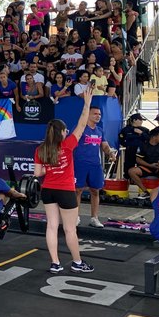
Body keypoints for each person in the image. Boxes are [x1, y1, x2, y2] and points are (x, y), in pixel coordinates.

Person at [33, 87, 95, 274]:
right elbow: (82, 124)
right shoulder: (67, 145)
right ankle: (77, 262)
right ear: (61, 133)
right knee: (69, 230)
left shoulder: (40, 149)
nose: (68, 131)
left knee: (52, 226)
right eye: (65, 130)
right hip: (66, 191)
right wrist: (87, 104)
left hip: (48, 190)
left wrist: (50, 167)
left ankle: (55, 263)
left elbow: (37, 173)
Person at [74, 106, 116, 228]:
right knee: (78, 190)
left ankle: (94, 218)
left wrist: (110, 153)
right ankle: (75, 217)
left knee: (95, 191)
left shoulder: (99, 130)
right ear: (88, 115)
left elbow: (105, 145)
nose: (98, 116)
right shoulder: (80, 129)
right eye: (95, 114)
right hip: (80, 163)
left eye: (99, 114)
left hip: (95, 164)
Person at [128, 129, 159, 198]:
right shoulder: (143, 146)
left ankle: (158, 192)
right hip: (147, 168)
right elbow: (138, 160)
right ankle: (145, 192)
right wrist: (150, 165)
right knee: (131, 171)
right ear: (154, 137)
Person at [119, 113, 149, 178]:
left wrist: (141, 133)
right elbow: (121, 139)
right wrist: (127, 145)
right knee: (128, 167)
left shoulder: (145, 130)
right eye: (140, 120)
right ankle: (127, 181)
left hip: (141, 152)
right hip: (130, 151)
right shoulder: (126, 130)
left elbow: (149, 139)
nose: (142, 121)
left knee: (142, 167)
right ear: (134, 120)